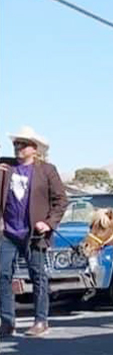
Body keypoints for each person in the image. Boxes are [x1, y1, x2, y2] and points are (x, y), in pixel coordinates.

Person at [0, 126, 68, 338]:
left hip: (34, 234)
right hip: (8, 233)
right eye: (16, 144)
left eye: (22, 144)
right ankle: (7, 322)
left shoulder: (47, 170)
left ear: (34, 148)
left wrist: (49, 223)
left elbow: (61, 200)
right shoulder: (5, 166)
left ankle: (40, 321)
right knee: (2, 275)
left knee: (38, 276)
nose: (17, 147)